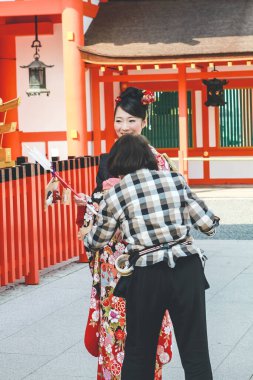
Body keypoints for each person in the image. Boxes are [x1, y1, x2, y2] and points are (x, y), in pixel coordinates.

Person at [85, 134, 220, 380]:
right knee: (196, 351)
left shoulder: (116, 193)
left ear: (118, 164)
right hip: (187, 269)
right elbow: (208, 224)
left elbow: (97, 240)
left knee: (139, 352)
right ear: (149, 159)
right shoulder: (176, 180)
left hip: (147, 274)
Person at [75, 87, 175, 380]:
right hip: (110, 264)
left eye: (131, 120)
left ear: (144, 122)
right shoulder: (107, 160)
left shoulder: (158, 162)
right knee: (112, 325)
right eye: (119, 120)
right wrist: (90, 204)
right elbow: (99, 211)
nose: (124, 127)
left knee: (143, 326)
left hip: (143, 259)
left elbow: (165, 213)